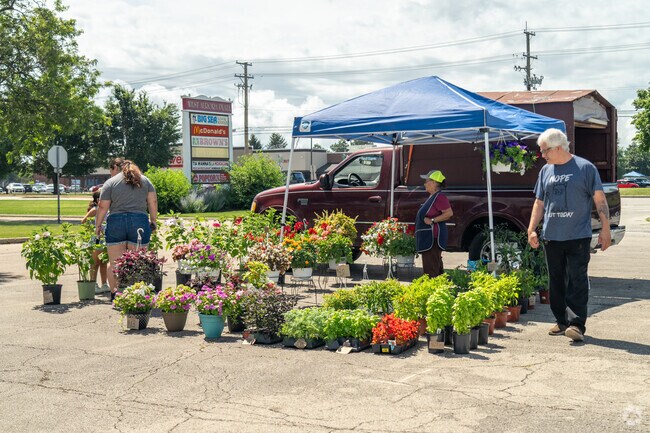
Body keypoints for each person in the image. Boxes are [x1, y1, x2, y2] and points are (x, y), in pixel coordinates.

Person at [527, 128, 611, 342]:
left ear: (558, 148)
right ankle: (561, 321)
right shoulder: (546, 171)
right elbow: (539, 202)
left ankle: (576, 324)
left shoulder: (585, 168)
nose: (543, 155)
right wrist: (531, 229)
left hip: (578, 236)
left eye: (545, 151)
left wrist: (605, 228)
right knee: (556, 281)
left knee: (577, 279)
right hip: (552, 236)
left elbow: (600, 200)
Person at [95, 158, 158, 300]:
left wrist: (98, 225)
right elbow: (152, 201)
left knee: (115, 262)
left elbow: (103, 206)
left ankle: (115, 294)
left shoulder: (110, 183)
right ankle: (137, 295)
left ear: (119, 168)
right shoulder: (145, 180)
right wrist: (153, 221)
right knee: (138, 261)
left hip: (116, 222)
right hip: (139, 222)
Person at [415, 170, 453, 277]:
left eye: (426, 181)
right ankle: (440, 290)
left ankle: (433, 291)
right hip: (429, 239)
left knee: (431, 270)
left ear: (434, 183)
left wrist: (432, 220)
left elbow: (449, 213)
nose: (424, 184)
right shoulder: (432, 197)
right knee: (434, 268)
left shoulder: (440, 197)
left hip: (433, 239)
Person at [81, 191, 109, 294]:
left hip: (105, 239)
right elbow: (83, 221)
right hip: (97, 239)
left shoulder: (108, 210)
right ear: (98, 200)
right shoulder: (95, 210)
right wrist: (94, 228)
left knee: (104, 262)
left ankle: (104, 284)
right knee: (95, 262)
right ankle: (93, 283)